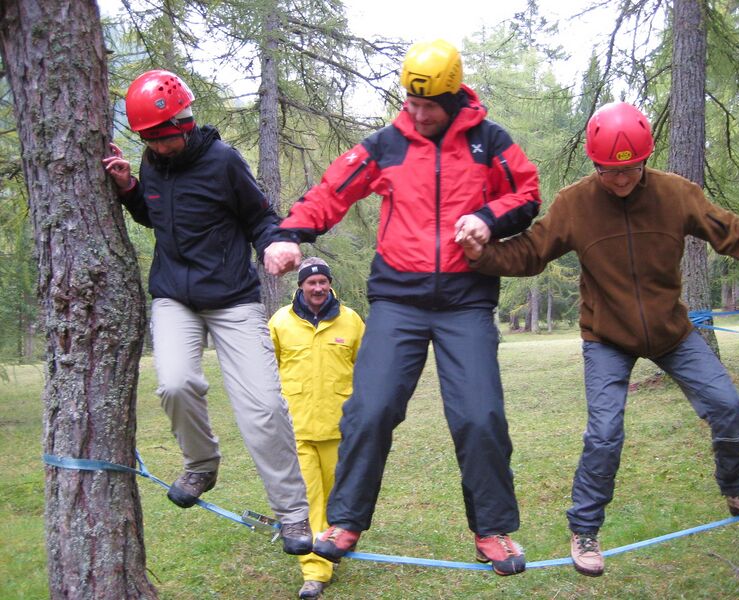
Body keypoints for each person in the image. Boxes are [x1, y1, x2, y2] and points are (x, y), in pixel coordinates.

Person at [457, 101, 739, 577]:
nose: (618, 180)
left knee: (727, 407)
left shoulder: (678, 194)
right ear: (595, 165)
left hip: (672, 333)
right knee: (605, 433)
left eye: (629, 170)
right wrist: (481, 254)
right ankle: (585, 529)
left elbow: (735, 234)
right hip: (606, 338)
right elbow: (532, 251)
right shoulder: (576, 203)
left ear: (644, 159)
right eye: (607, 171)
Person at [265, 40, 542, 576]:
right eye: (411, 102)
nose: (417, 112)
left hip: (465, 301)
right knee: (369, 410)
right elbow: (332, 191)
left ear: (454, 95)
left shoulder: (490, 142)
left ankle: (492, 529)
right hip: (398, 300)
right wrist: (290, 233)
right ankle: (344, 521)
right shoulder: (386, 144)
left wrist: (489, 217)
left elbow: (527, 195)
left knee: (480, 415)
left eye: (429, 104)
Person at [101, 69, 313, 555]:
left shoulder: (223, 162)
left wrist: (275, 244)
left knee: (262, 408)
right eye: (147, 139)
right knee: (175, 383)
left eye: (161, 137)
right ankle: (201, 465)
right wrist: (131, 188)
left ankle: (294, 514)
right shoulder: (153, 163)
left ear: (184, 122)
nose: (155, 147)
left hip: (233, 299)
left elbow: (261, 216)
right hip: (174, 295)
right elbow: (155, 216)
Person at [268, 258, 365, 599]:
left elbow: (366, 371)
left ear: (329, 283)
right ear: (301, 285)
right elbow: (266, 373)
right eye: (312, 283)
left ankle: (334, 546)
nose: (318, 288)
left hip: (340, 428)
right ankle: (315, 571)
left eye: (323, 282)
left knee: (340, 501)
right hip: (296, 429)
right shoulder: (280, 322)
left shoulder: (351, 321)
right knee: (310, 502)